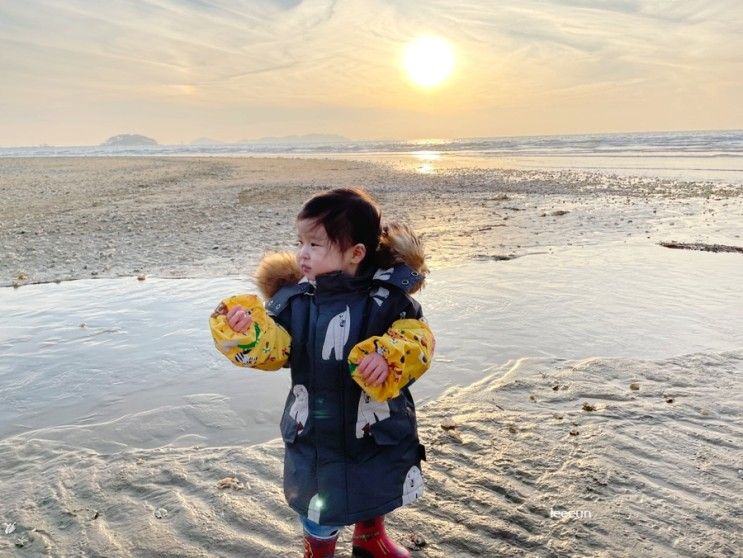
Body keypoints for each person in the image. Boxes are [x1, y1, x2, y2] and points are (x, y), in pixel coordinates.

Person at [210, 188, 434, 558]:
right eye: (300, 242)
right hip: (316, 427)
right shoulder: (296, 301)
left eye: (315, 244)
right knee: (318, 501)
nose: (302, 254)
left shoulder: (390, 298)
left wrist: (389, 355)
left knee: (376, 481)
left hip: (374, 422)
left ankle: (370, 536)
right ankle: (318, 549)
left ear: (355, 253)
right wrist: (247, 331)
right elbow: (276, 349)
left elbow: (419, 339)